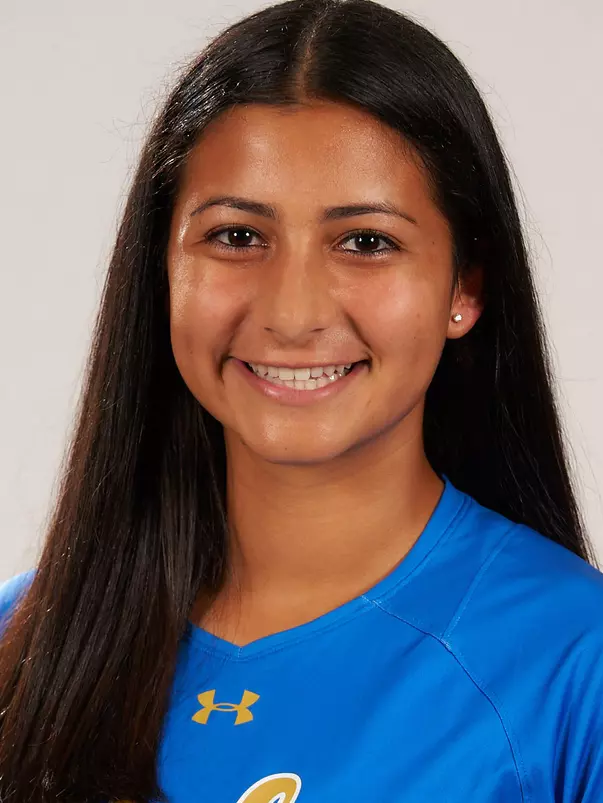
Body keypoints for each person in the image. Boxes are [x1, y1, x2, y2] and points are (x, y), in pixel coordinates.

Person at [1, 0, 602, 800]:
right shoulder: (25, 642)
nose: (291, 313)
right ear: (162, 267)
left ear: (464, 285)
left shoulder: (573, 662)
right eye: (237, 236)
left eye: (365, 242)